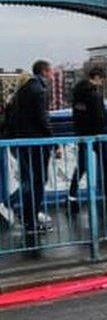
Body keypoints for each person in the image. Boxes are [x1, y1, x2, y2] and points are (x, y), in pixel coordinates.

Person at [7, 60, 55, 249]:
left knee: (30, 179)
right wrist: (53, 141)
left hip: (21, 141)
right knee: (37, 181)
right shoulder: (39, 91)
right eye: (51, 71)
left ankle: (27, 216)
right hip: (36, 142)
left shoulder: (23, 90)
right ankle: (30, 219)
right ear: (44, 71)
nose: (52, 75)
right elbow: (43, 118)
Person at [68, 65, 107, 230]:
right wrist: (103, 129)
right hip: (97, 135)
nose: (102, 83)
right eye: (102, 79)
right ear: (97, 77)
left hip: (82, 134)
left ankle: (71, 196)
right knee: (106, 164)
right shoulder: (94, 94)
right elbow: (100, 116)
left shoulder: (77, 92)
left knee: (81, 165)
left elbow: (77, 114)